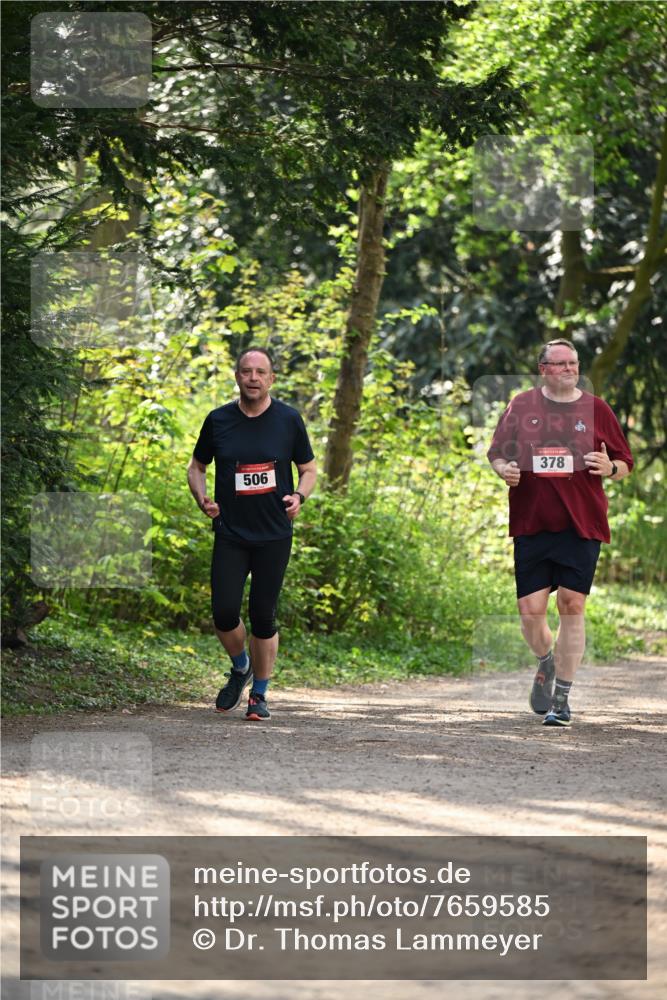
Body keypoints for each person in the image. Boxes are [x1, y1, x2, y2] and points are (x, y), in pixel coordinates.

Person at [487, 338, 633, 727]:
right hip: (532, 523)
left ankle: (562, 700)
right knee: (530, 613)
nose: (569, 369)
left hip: (581, 523)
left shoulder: (596, 409)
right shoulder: (521, 405)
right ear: (543, 369)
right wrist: (504, 470)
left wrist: (609, 467)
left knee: (572, 604)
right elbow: (497, 453)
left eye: (573, 363)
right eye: (560, 364)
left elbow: (625, 462)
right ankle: (546, 663)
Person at [187, 347, 316, 720]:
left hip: (274, 532)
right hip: (231, 531)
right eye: (247, 371)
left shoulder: (288, 420)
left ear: (271, 378)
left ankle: (259, 694)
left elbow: (308, 469)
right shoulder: (219, 420)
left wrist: (299, 497)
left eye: (261, 372)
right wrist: (202, 498)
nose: (253, 378)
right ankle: (240, 666)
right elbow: (197, 467)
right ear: (237, 376)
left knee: (263, 615)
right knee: (224, 612)